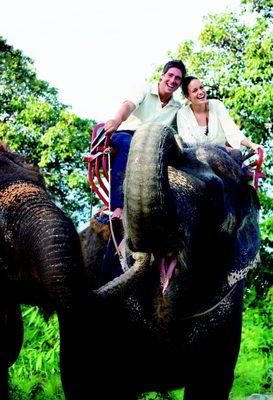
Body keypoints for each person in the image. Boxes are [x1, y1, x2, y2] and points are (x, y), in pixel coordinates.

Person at [104, 60, 186, 221]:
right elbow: (128, 106)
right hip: (127, 134)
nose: (172, 80)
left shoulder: (177, 107)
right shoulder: (144, 89)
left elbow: (184, 132)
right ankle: (118, 206)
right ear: (162, 76)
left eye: (177, 78)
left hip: (152, 143)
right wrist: (116, 120)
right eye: (170, 75)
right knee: (129, 145)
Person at [176, 76, 263, 153]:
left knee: (237, 155)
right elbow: (188, 144)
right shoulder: (182, 113)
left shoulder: (217, 105)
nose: (201, 92)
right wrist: (216, 150)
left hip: (223, 158)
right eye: (195, 90)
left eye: (201, 87)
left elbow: (232, 130)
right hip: (197, 161)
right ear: (188, 97)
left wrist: (252, 145)